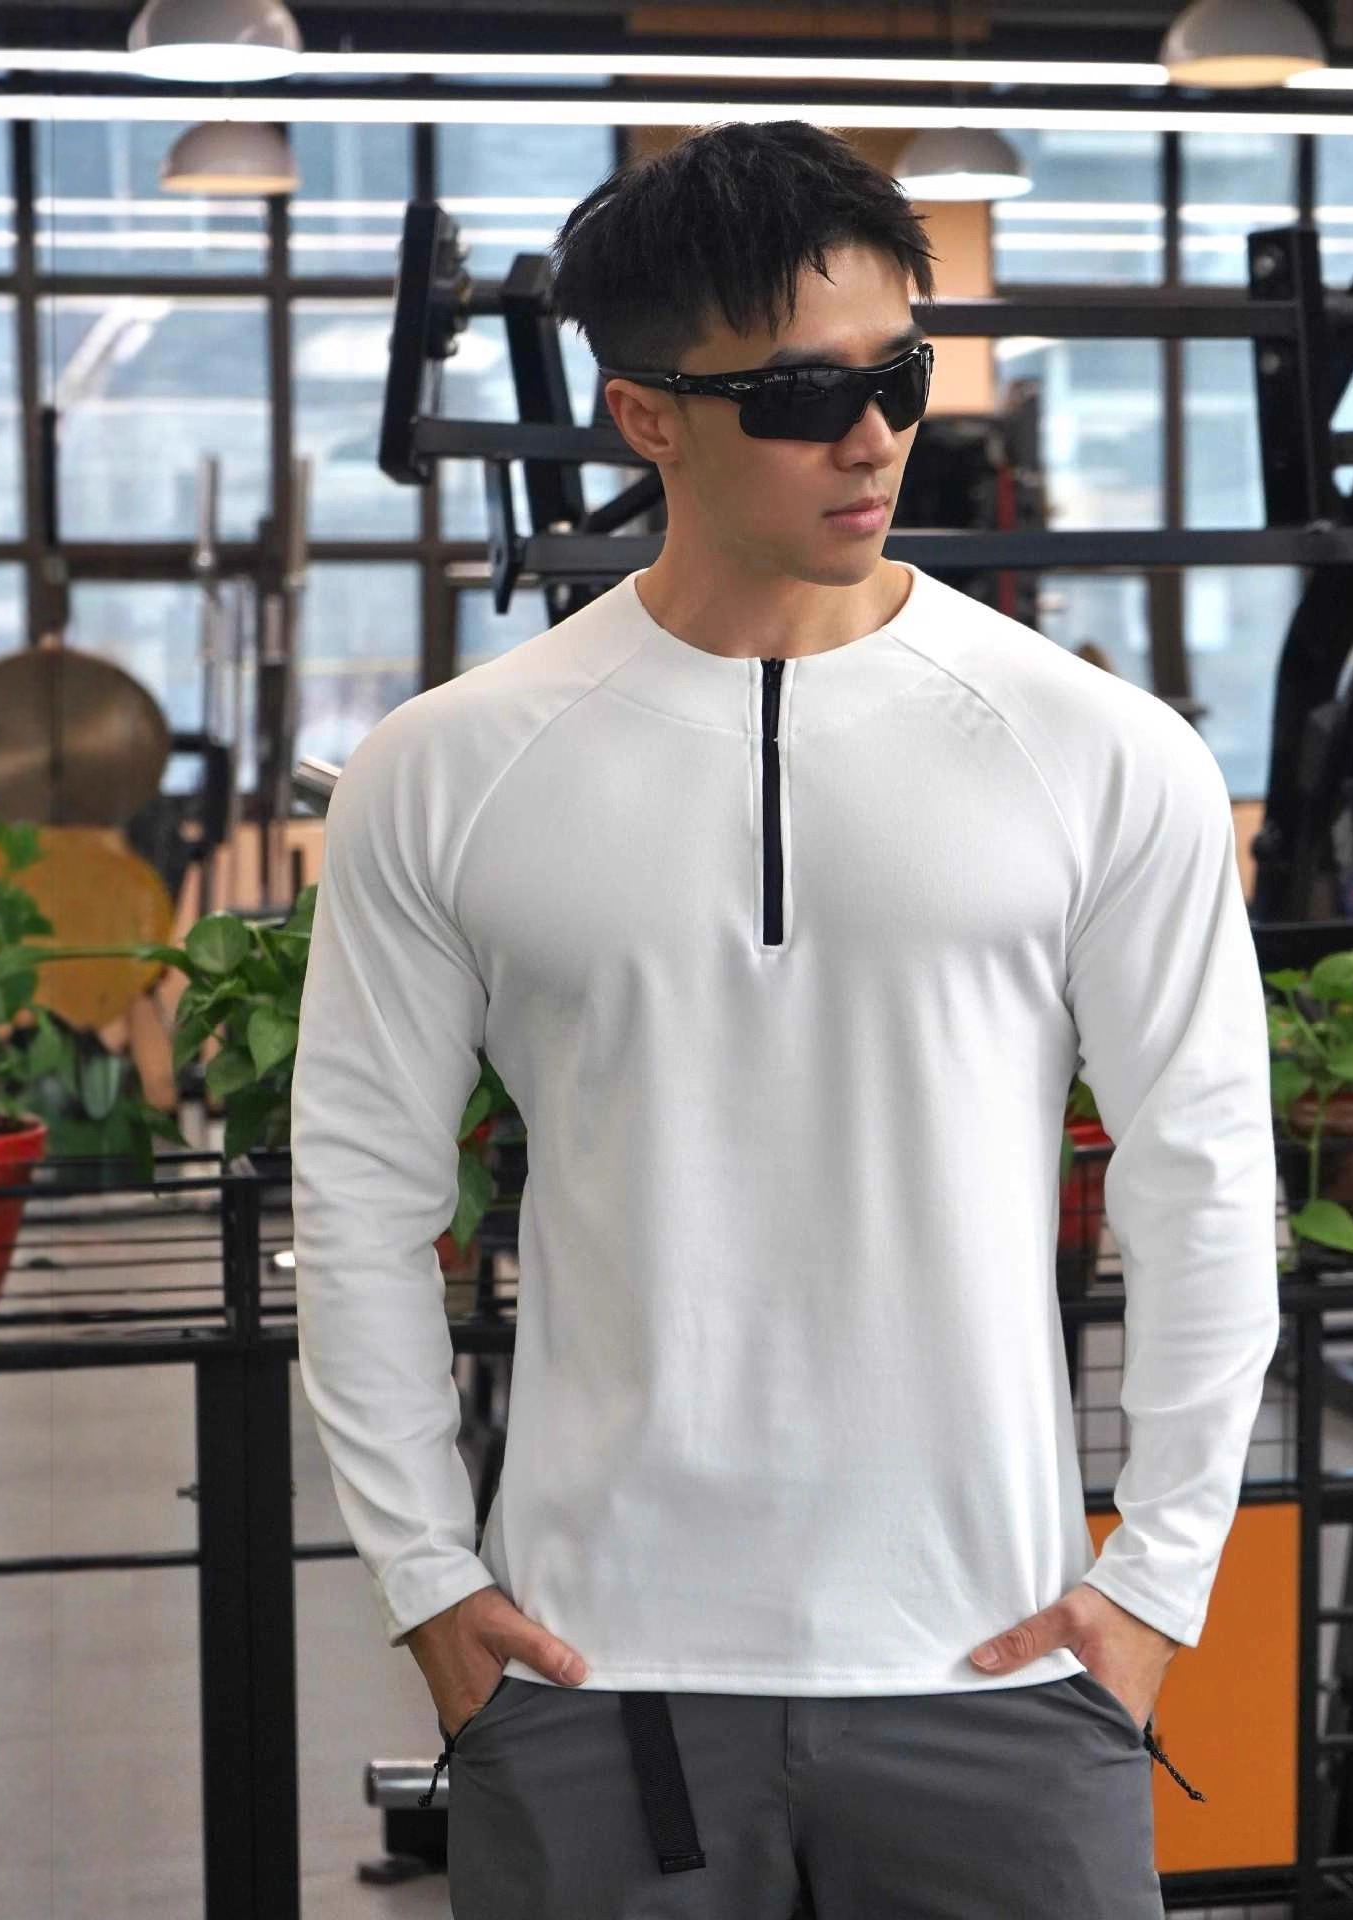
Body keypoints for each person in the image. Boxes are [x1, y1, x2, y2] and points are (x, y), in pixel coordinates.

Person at [290, 119, 1279, 1919]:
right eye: (804, 394)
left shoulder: (1101, 753)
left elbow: (1203, 1175)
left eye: (899, 373)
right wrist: (427, 1582)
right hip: (594, 1671)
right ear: (644, 415)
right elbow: (360, 1203)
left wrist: (1157, 1583)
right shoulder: (444, 772)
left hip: (1000, 1663)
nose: (874, 434)